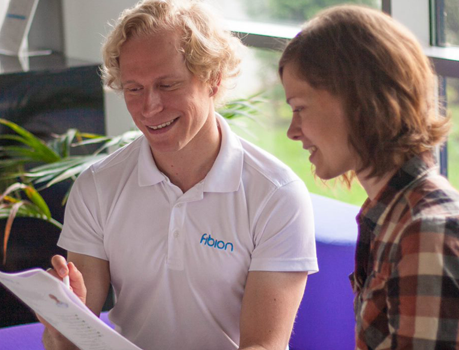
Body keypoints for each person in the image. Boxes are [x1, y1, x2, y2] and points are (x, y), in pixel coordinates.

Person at [40, 0, 318, 349]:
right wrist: (60, 324)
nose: (149, 107)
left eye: (168, 85)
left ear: (214, 81)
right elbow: (70, 341)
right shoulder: (98, 186)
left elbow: (263, 345)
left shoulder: (275, 193)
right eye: (134, 89)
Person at [279, 4, 459, 350]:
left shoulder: (430, 231)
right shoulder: (389, 214)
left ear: (359, 103)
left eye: (300, 108)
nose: (292, 132)